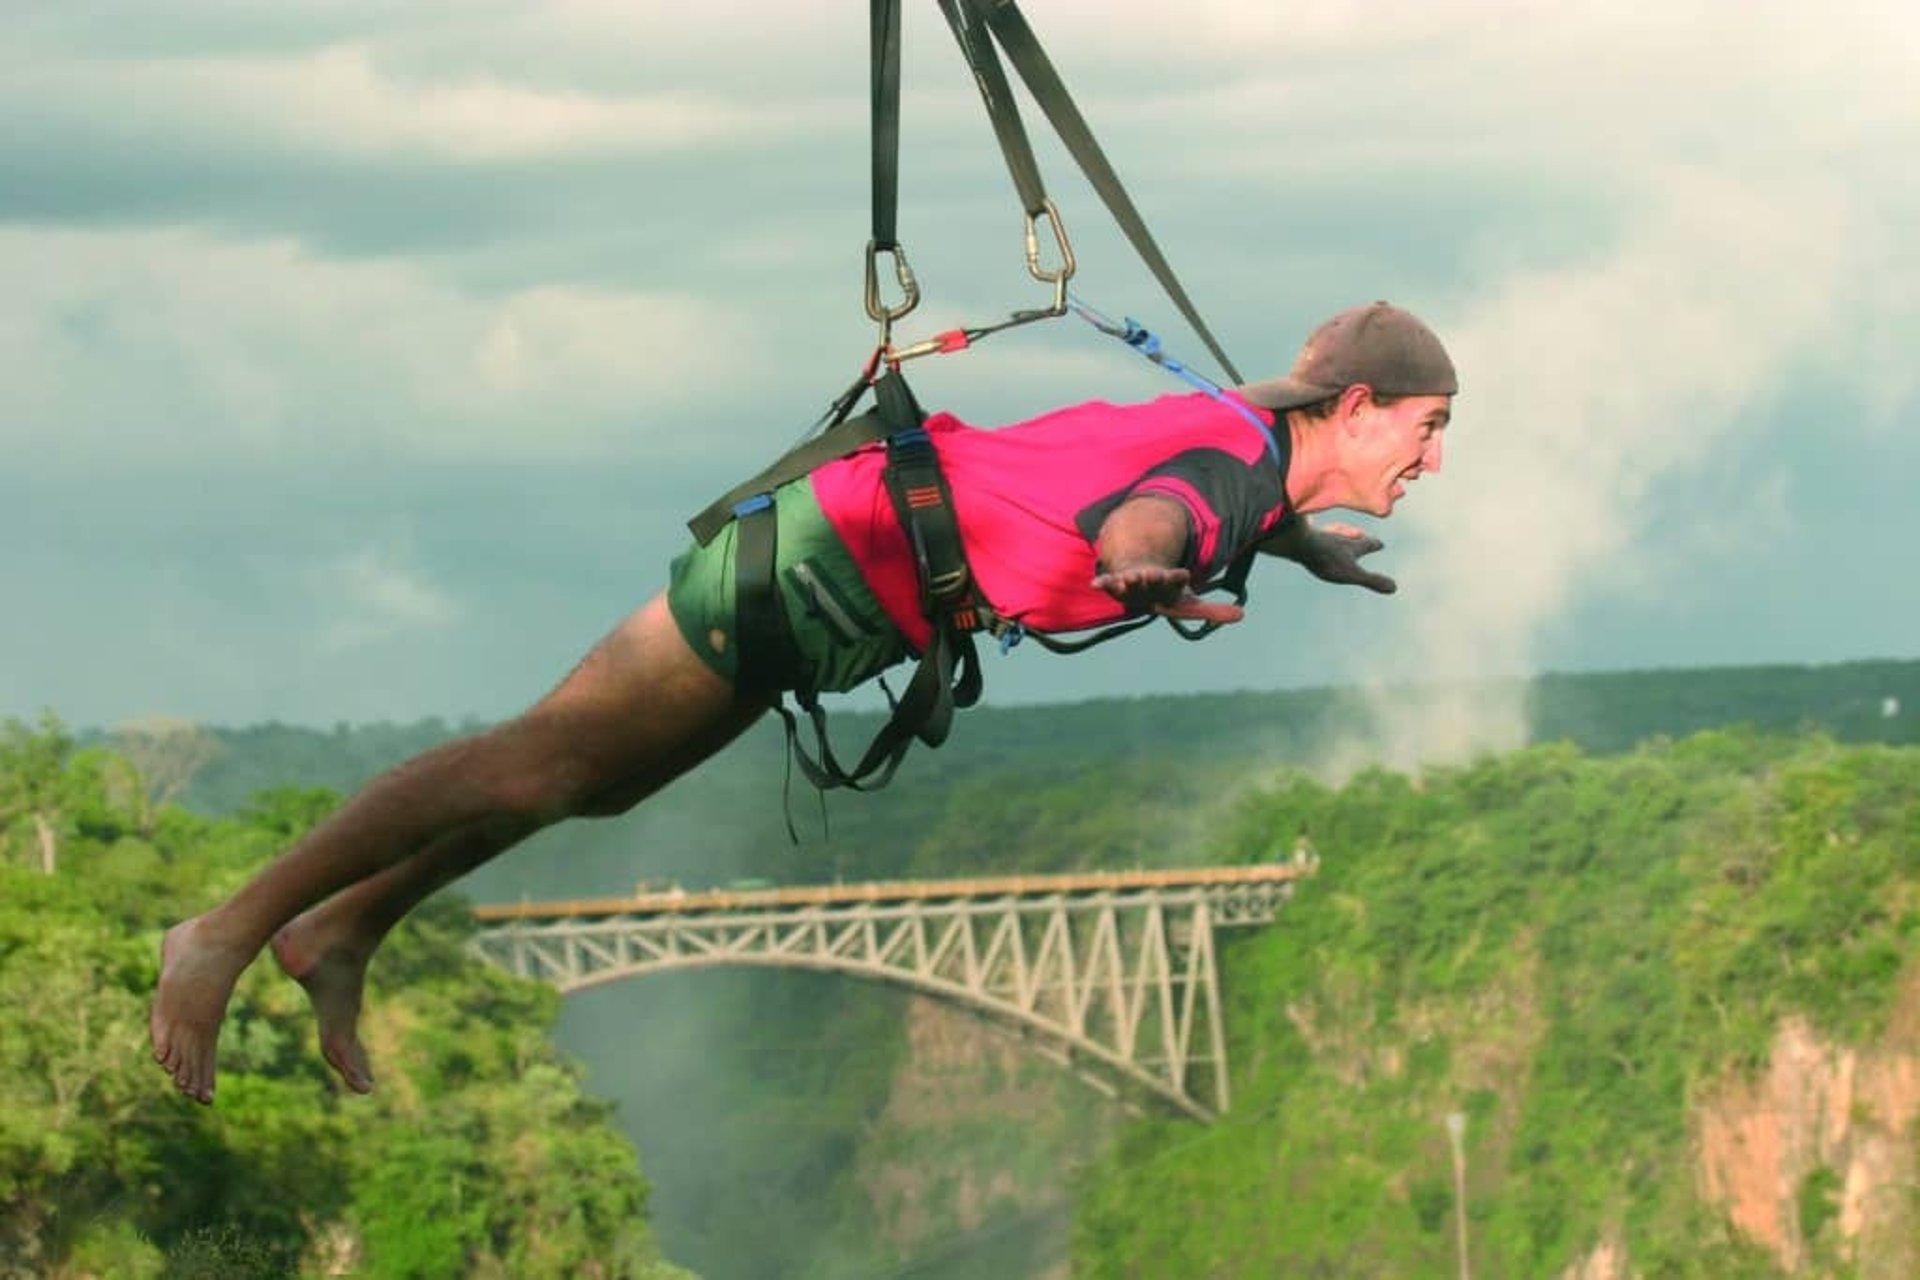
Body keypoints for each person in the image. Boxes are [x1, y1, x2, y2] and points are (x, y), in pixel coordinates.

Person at [150, 300, 1456, 1104]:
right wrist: (1143, 568)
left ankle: (345, 928)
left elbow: (1214, 495)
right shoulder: (1223, 484)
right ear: (1352, 406)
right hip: (818, 569)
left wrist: (1301, 545)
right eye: (1426, 424)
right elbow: (1156, 512)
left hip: (840, 590)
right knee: (536, 763)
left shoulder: (1247, 460)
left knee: (590, 786)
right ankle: (226, 930)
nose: (1434, 456)